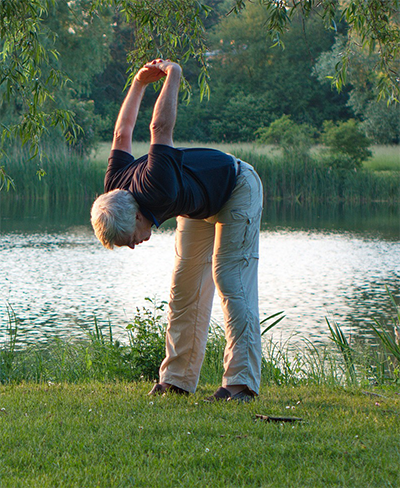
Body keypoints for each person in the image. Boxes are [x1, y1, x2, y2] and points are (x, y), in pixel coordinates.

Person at [91, 59, 263, 402]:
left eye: (130, 240)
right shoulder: (115, 188)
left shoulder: (157, 186)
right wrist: (138, 83)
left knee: (229, 278)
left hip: (237, 186)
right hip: (198, 203)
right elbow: (121, 134)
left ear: (136, 216)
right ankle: (177, 380)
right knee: (184, 288)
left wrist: (173, 75)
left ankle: (241, 385)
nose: (134, 246)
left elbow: (159, 127)